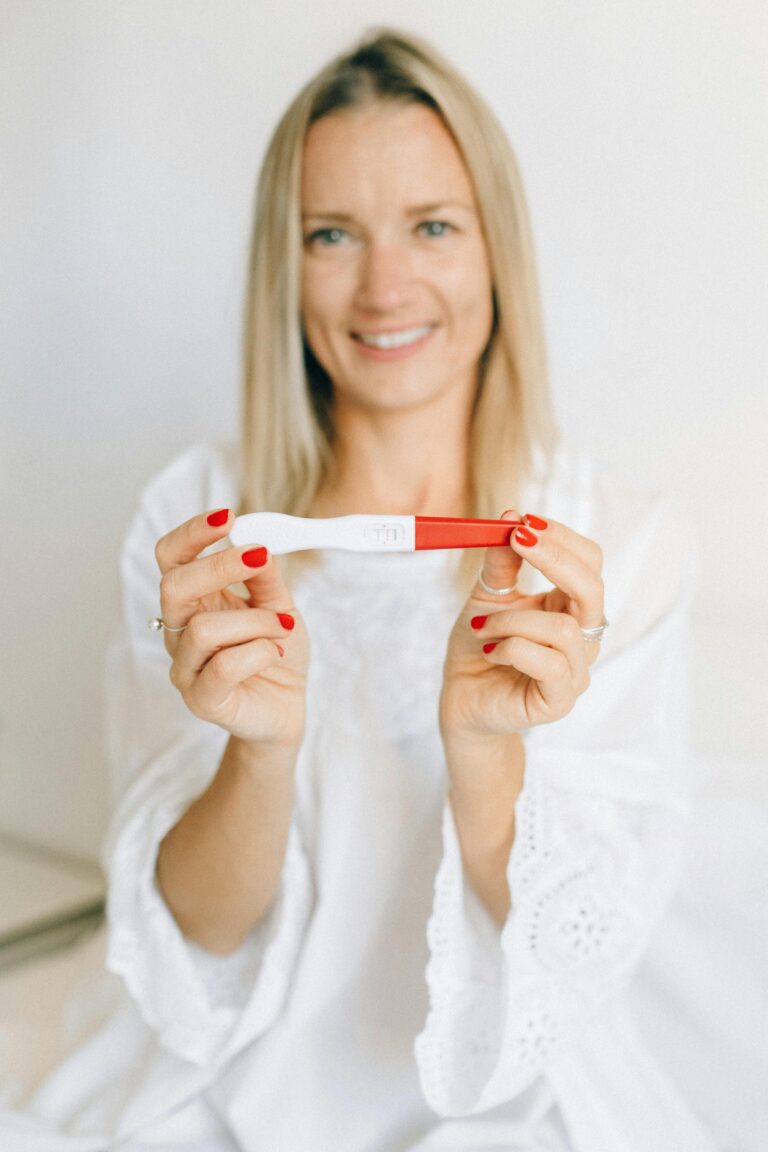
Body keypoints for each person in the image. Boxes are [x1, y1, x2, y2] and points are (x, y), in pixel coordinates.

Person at [1, 25, 719, 1152]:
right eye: (332, 235)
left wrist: (486, 752)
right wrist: (259, 747)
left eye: (432, 226)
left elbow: (572, 949)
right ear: (285, 269)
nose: (385, 288)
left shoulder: (619, 547)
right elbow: (197, 934)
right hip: (228, 1085)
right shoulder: (199, 521)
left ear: (497, 252)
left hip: (507, 1100)